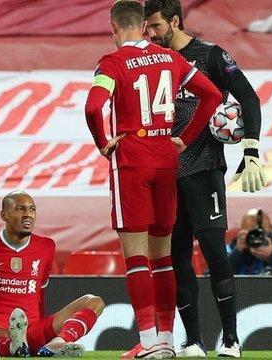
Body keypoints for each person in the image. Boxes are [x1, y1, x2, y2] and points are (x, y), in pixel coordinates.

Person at [84, 1, 223, 358]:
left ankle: (145, 342)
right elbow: (212, 95)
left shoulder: (111, 63)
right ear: (145, 27)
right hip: (165, 157)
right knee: (163, 258)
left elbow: (93, 105)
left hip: (131, 158)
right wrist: (185, 137)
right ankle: (165, 342)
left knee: (136, 258)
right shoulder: (171, 59)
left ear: (115, 27)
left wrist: (103, 143)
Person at [144, 0, 267, 356]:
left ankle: (231, 339)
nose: (151, 34)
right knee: (178, 257)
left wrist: (251, 150)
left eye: (155, 26)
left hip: (205, 169)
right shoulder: (156, 65)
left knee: (215, 252)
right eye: (147, 28)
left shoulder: (211, 56)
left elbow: (248, 97)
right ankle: (193, 340)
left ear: (175, 21)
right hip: (167, 175)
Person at [0, 191, 105, 358]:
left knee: (94, 302)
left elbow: (40, 294)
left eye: (32, 209)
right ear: (4, 215)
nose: (28, 215)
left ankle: (58, 342)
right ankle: (14, 346)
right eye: (20, 209)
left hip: (32, 326)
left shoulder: (46, 246)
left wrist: (42, 330)